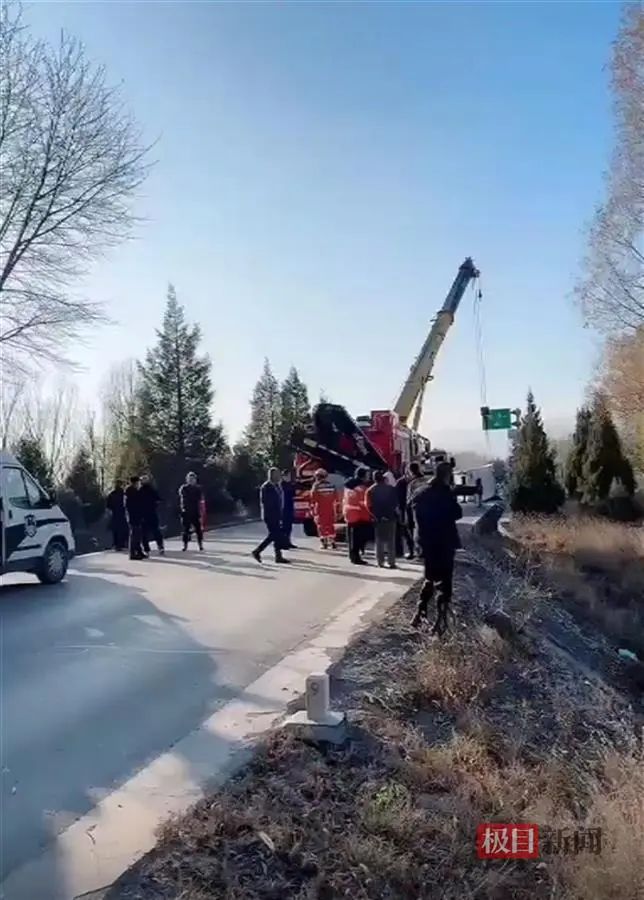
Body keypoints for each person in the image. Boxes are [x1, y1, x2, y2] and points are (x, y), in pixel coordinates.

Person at [410, 461, 463, 635]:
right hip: (444, 542)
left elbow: (412, 512)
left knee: (430, 577)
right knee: (445, 583)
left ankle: (420, 613)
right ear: (447, 476)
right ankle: (440, 623)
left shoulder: (420, 492)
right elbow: (457, 513)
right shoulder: (445, 493)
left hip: (426, 542)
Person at [252, 467, 289, 564]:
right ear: (272, 475)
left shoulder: (277, 486)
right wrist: (275, 512)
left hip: (277, 514)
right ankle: (257, 551)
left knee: (275, 535)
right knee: (274, 534)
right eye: (276, 474)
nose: (279, 476)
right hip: (270, 515)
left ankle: (278, 556)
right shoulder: (266, 487)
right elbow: (267, 502)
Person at [366, 470, 399, 568]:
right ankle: (391, 562)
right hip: (390, 517)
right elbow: (396, 503)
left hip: (378, 518)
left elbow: (368, 505)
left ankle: (380, 562)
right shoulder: (391, 489)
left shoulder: (370, 490)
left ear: (374, 479)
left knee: (379, 540)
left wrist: (375, 515)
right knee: (391, 540)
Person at [396, 462, 425, 559]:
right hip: (422, 510)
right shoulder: (424, 480)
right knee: (421, 530)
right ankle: (421, 551)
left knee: (408, 531)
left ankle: (412, 551)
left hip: (408, 510)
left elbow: (403, 499)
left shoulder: (403, 482)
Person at [343, 467, 371, 565]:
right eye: (367, 475)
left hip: (349, 513)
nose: (368, 477)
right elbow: (366, 503)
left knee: (351, 537)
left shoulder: (348, 485)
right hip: (359, 515)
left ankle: (352, 555)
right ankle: (356, 557)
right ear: (363, 476)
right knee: (357, 537)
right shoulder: (361, 488)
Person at [310, 468, 337, 549]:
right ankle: (332, 542)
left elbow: (313, 498)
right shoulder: (332, 485)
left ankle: (324, 542)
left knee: (321, 525)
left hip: (320, 508)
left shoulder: (316, 486)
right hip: (330, 508)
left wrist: (312, 509)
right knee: (330, 525)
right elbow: (335, 497)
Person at [140, 474, 165, 555]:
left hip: (147, 514)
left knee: (148, 532)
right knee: (151, 532)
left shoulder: (145, 490)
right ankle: (156, 547)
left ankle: (153, 548)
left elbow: (158, 499)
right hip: (148, 514)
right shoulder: (149, 490)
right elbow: (159, 500)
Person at [179, 472, 204, 552]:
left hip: (195, 511)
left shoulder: (198, 489)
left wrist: (201, 511)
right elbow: (182, 498)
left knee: (198, 529)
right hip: (186, 511)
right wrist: (183, 508)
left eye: (193, 479)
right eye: (189, 479)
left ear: (195, 480)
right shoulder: (184, 488)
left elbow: (200, 500)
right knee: (185, 530)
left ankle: (200, 545)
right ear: (187, 480)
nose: (191, 480)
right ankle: (185, 545)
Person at [125, 475, 145, 560]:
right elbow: (132, 505)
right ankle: (132, 553)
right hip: (133, 516)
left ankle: (139, 551)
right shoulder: (131, 491)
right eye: (138, 482)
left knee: (137, 535)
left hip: (136, 516)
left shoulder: (134, 491)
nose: (139, 484)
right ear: (135, 483)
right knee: (134, 535)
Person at [105, 480, 128, 551]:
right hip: (122, 514)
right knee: (123, 529)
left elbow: (108, 505)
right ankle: (122, 543)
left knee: (115, 529)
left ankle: (116, 544)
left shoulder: (112, 494)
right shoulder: (124, 494)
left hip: (115, 514)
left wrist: (110, 513)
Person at [281, 470, 298, 550]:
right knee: (284, 527)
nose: (289, 477)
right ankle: (283, 542)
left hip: (290, 507)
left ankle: (288, 541)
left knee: (289, 526)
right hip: (283, 508)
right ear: (283, 476)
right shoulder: (281, 485)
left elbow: (294, 494)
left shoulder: (290, 484)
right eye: (287, 476)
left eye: (289, 476)